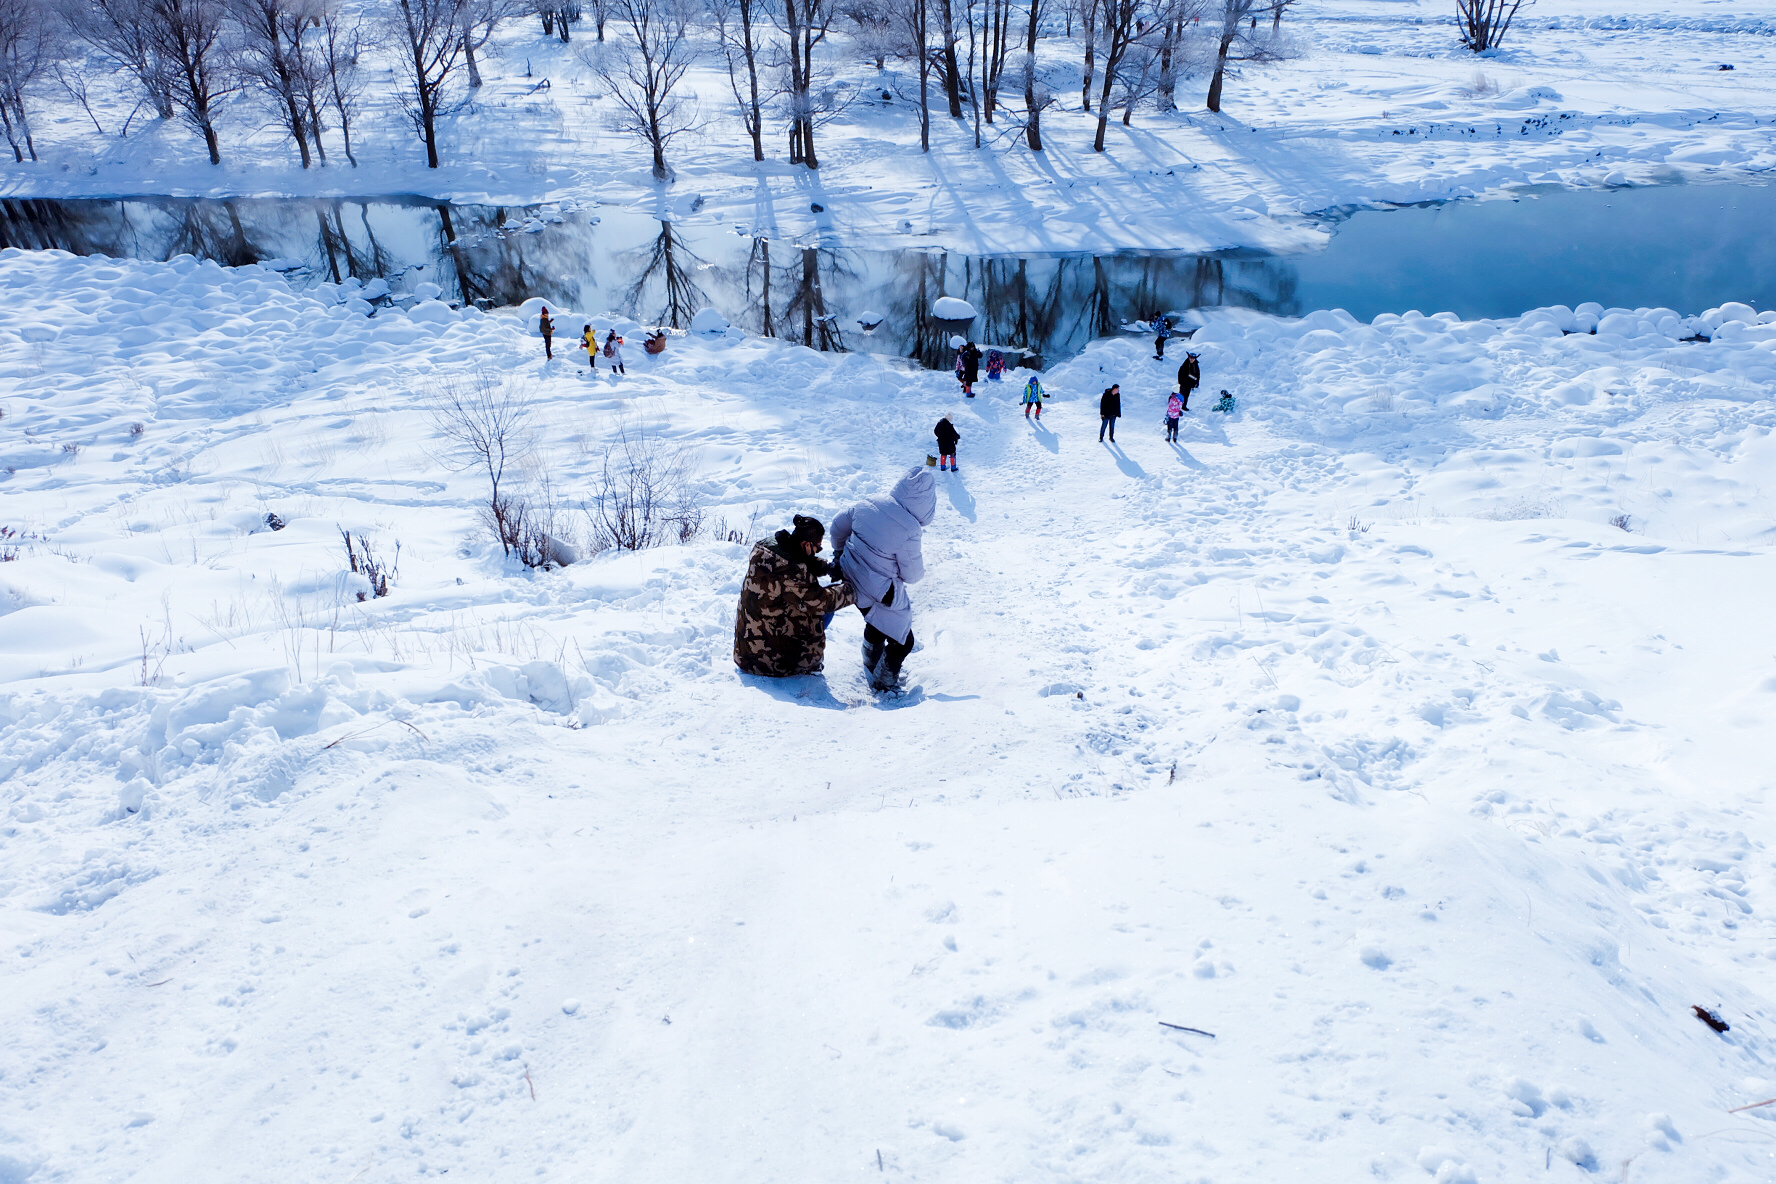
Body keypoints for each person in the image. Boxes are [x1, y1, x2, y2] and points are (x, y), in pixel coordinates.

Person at [832, 465, 936, 692]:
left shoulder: (869, 502)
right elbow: (913, 575)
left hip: (850, 576)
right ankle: (883, 682)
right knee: (903, 641)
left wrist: (839, 555)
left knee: (877, 622)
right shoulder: (910, 528)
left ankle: (870, 662)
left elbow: (837, 526)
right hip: (879, 591)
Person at [733, 515, 855, 677]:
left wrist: (826, 567)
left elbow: (799, 558)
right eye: (817, 548)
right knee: (823, 608)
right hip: (765, 661)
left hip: (746, 650)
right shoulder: (789, 570)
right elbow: (822, 602)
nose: (817, 551)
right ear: (806, 544)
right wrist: (853, 590)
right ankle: (804, 663)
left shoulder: (767, 547)